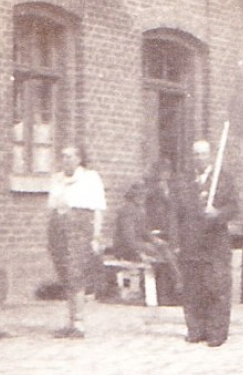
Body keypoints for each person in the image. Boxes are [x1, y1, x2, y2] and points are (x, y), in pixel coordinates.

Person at [176, 140, 238, 348]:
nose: (199, 158)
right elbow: (176, 212)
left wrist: (217, 213)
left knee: (216, 287)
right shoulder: (185, 180)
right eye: (196, 154)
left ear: (210, 155)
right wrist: (176, 241)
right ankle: (196, 329)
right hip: (191, 241)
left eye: (203, 154)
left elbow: (233, 207)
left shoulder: (223, 179)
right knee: (193, 288)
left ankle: (216, 332)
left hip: (214, 242)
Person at [46, 145, 107, 339]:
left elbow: (98, 209)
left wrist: (96, 236)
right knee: (64, 272)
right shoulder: (57, 179)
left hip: (80, 229)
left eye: (70, 157)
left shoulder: (90, 178)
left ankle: (79, 323)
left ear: (80, 159)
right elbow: (52, 207)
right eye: (63, 156)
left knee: (76, 272)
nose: (66, 160)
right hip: (58, 228)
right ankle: (71, 321)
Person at [113, 181, 182, 303]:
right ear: (133, 196)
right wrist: (144, 249)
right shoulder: (127, 211)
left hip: (137, 244)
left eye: (143, 195)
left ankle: (174, 285)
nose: (142, 198)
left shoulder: (140, 210)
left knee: (165, 248)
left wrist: (155, 240)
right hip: (125, 248)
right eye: (139, 195)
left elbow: (144, 231)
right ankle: (177, 283)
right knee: (162, 252)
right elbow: (128, 239)